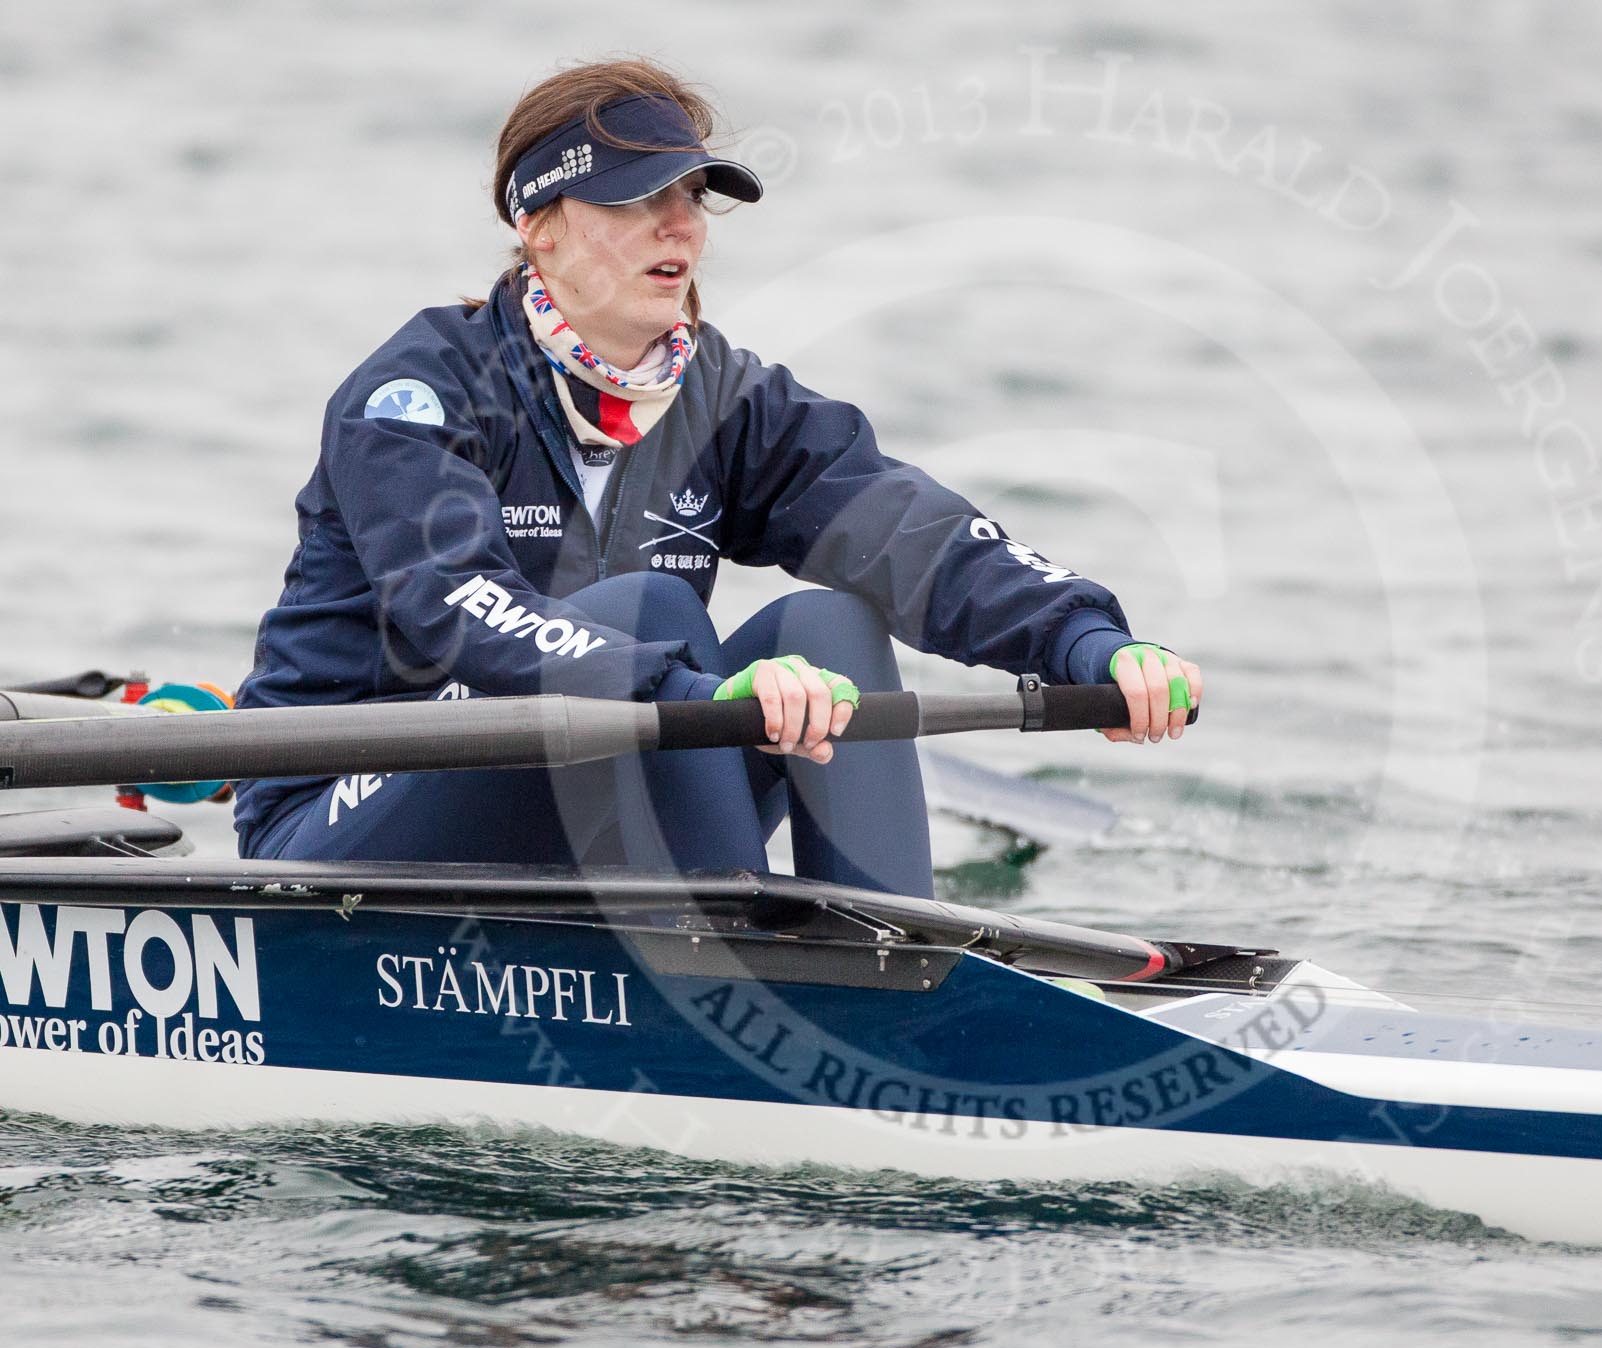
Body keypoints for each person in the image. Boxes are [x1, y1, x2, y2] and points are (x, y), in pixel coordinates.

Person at [233, 59, 1202, 899]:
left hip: (606, 781)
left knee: (830, 626)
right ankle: (724, 981)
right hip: (341, 807)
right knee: (650, 607)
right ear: (541, 226)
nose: (678, 227)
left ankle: (889, 965)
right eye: (635, 198)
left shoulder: (725, 401)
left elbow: (911, 532)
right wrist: (686, 686)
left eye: (690, 197)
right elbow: (459, 607)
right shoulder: (419, 391)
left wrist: (1087, 637)